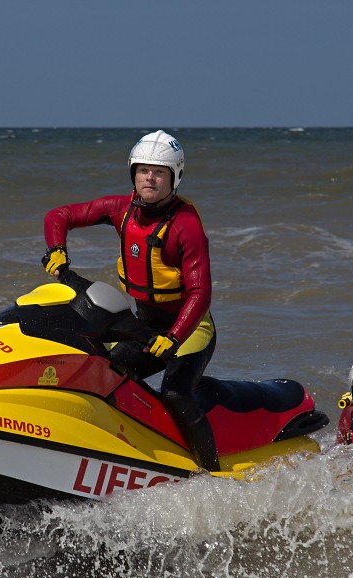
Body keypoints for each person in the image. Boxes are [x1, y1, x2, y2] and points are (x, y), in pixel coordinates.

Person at [41, 130, 219, 471]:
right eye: (143, 170)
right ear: (133, 174)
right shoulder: (120, 209)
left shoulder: (186, 226)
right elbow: (58, 215)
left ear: (174, 177)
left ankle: (212, 472)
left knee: (175, 394)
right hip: (145, 327)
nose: (150, 177)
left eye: (160, 172)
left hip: (190, 329)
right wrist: (57, 250)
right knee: (102, 373)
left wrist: (174, 337)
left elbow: (200, 293)